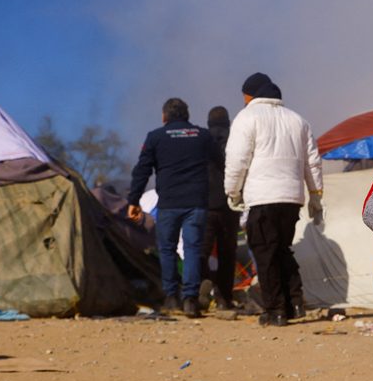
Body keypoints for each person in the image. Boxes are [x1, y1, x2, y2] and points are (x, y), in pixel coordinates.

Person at [224, 73, 324, 327]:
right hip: (292, 198)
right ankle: (295, 303)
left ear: (250, 95)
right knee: (282, 250)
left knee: (265, 253)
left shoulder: (247, 117)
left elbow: (237, 160)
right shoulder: (297, 120)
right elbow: (312, 162)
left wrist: (232, 192)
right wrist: (315, 196)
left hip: (262, 197)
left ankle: (276, 310)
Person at [127, 97, 221, 318]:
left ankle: (171, 298)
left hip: (168, 203)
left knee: (167, 249)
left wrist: (133, 200)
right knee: (192, 249)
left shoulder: (155, 137)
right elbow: (221, 163)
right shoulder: (202, 136)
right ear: (187, 115)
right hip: (196, 203)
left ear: (164, 116)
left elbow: (142, 171)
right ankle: (190, 299)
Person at [198, 106, 240, 314]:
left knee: (202, 251)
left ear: (208, 123)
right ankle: (224, 297)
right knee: (227, 253)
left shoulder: (201, 140)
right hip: (229, 204)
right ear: (228, 122)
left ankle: (203, 286)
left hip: (204, 203)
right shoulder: (235, 139)